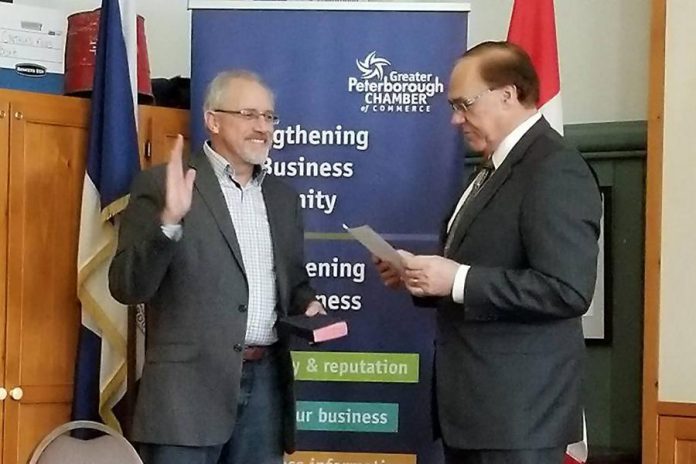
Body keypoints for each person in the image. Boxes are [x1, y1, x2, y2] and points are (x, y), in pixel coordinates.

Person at [374, 41, 602, 464]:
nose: (455, 118)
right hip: (478, 412)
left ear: (507, 95)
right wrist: (418, 276)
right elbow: (481, 270)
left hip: (520, 419)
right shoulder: (492, 168)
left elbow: (567, 290)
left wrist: (457, 279)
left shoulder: (554, 167)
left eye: (464, 104)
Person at [109, 70, 324, 464]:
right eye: (249, 114)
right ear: (212, 120)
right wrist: (170, 222)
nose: (262, 127)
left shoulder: (283, 199)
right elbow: (126, 286)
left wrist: (307, 303)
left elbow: (295, 284)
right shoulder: (161, 186)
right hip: (184, 399)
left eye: (269, 117)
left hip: (265, 390)